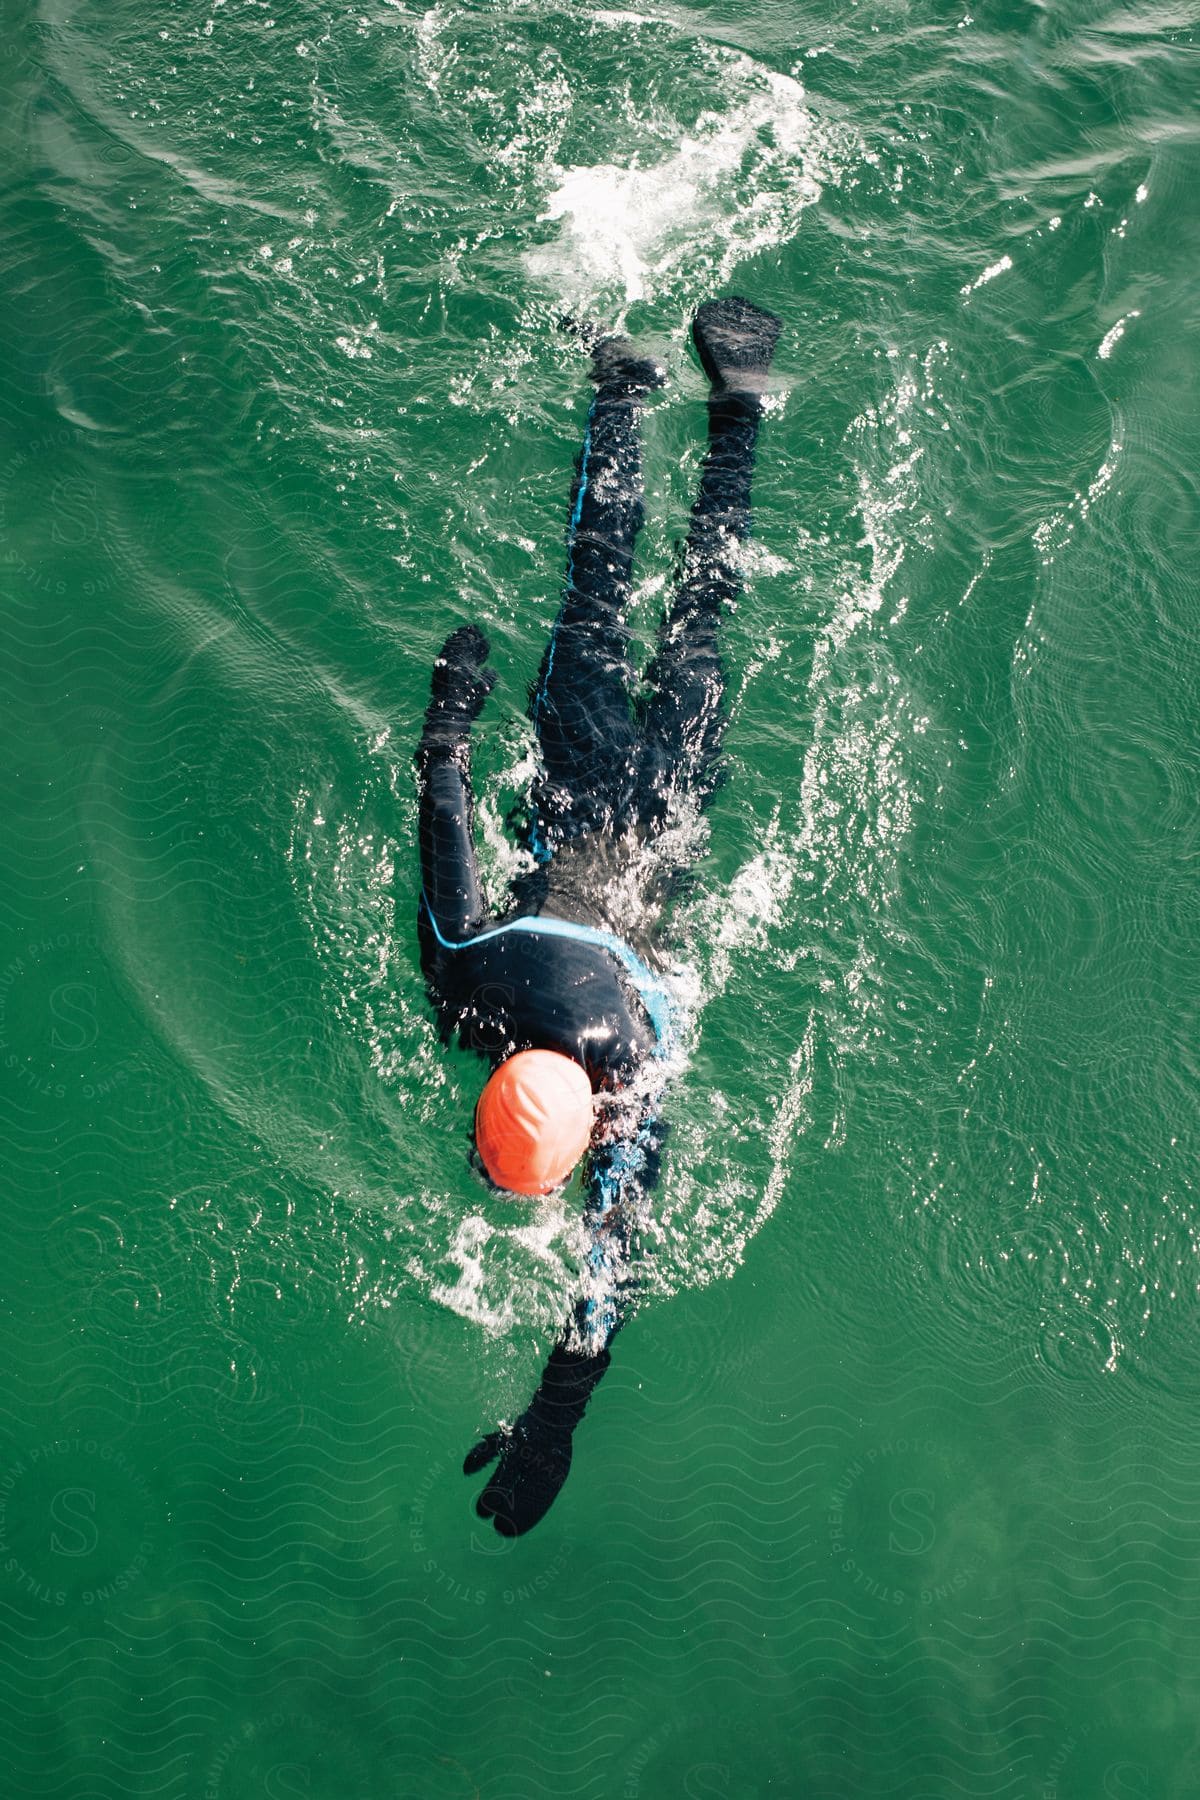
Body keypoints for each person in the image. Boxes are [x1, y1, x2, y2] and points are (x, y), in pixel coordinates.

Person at [415, 296, 782, 1534]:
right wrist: (450, 723)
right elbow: (445, 831)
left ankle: (736, 406)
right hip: (575, 800)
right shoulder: (471, 973)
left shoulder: (629, 1102)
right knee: (596, 591)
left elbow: (603, 1291)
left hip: (663, 834)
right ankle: (624, 388)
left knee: (697, 617)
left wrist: (550, 1426)